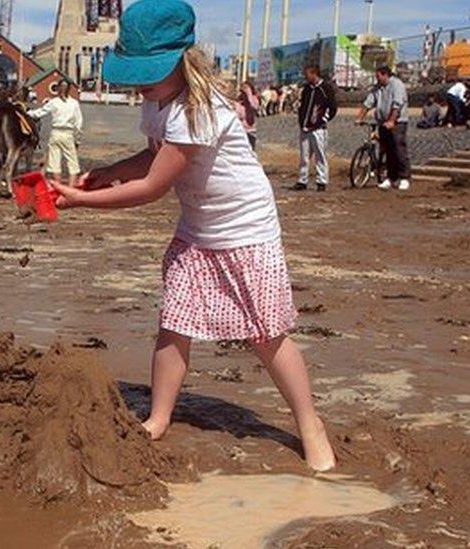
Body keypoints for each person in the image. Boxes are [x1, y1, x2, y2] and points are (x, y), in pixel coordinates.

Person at [50, 0, 336, 472]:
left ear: (181, 62)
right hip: (197, 230)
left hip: (244, 229)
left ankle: (310, 425)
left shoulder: (198, 108)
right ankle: (159, 417)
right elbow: (151, 161)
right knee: (175, 324)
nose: (141, 84)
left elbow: (153, 187)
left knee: (266, 336)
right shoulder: (158, 103)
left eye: (149, 73)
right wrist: (105, 173)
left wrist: (81, 202)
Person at [356, 65, 411, 191]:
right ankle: (391, 178)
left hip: (397, 122)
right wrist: (360, 117)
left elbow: (397, 104)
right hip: (383, 122)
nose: (376, 79)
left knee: (398, 149)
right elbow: (368, 102)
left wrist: (392, 120)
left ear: (385, 74)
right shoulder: (377, 88)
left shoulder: (397, 85)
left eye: (378, 76)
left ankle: (404, 177)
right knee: (387, 151)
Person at [28, 80, 84, 186]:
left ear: (58, 88)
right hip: (68, 134)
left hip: (55, 133)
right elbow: (78, 124)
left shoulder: (53, 102)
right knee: (73, 165)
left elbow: (39, 113)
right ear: (69, 89)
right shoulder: (74, 103)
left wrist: (26, 112)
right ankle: (70, 190)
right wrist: (77, 140)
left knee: (54, 164)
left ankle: (58, 188)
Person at [292, 65, 337, 192]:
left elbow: (332, 107)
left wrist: (322, 120)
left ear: (314, 74)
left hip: (318, 129)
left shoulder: (325, 88)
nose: (306, 77)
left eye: (307, 75)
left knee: (320, 155)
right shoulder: (307, 89)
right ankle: (302, 180)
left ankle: (321, 181)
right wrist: (301, 121)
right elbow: (303, 106)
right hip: (305, 128)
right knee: (304, 156)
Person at [236, 81, 260, 150]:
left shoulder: (254, 99)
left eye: (246, 88)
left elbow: (254, 107)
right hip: (240, 131)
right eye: (243, 88)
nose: (244, 90)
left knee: (250, 152)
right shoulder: (239, 102)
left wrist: (249, 94)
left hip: (250, 131)